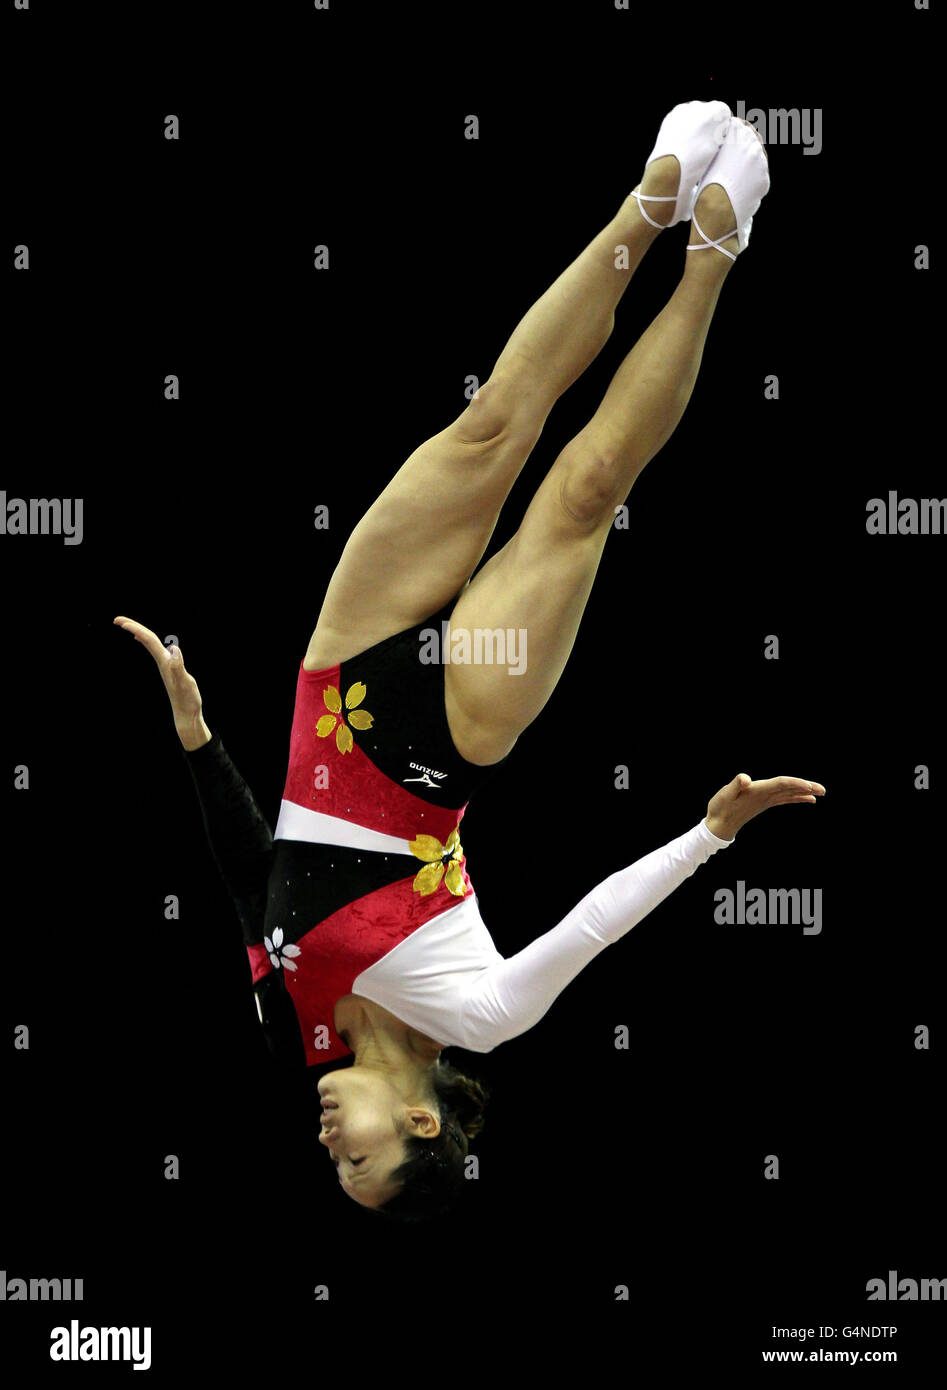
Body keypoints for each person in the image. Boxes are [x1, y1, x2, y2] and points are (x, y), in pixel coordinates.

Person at [115, 101, 825, 1221]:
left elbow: (249, 876)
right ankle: (712, 255)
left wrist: (197, 736)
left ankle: (647, 204)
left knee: (491, 423)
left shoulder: (282, 1029)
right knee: (584, 494)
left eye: (330, 1168)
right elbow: (589, 925)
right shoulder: (478, 1012)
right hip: (443, 738)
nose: (328, 1149)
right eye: (358, 1164)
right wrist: (707, 835)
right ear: (419, 1123)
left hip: (333, 676)